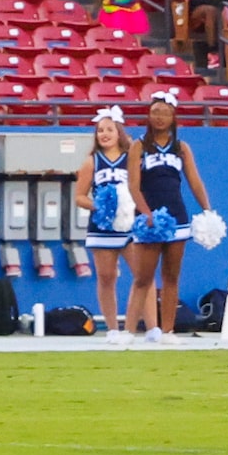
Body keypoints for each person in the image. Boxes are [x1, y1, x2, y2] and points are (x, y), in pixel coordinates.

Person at [128, 92, 216, 341]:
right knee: (143, 278)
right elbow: (133, 186)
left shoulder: (181, 148)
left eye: (165, 113)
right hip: (149, 219)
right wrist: (146, 213)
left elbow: (195, 182)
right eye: (155, 112)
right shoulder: (139, 146)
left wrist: (207, 209)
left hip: (177, 217)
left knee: (171, 276)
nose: (159, 118)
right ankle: (129, 330)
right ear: (148, 115)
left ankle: (168, 330)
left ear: (173, 116)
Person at [76, 106, 141, 341]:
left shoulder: (132, 157)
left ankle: (135, 327)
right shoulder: (91, 162)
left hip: (130, 226)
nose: (104, 134)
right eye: (100, 130)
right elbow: (80, 196)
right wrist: (100, 207)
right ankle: (113, 330)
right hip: (102, 228)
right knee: (106, 277)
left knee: (142, 276)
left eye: (109, 129)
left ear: (119, 131)